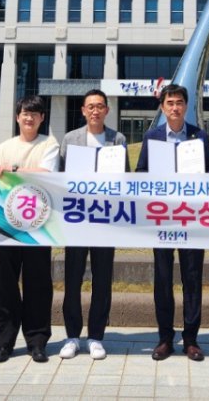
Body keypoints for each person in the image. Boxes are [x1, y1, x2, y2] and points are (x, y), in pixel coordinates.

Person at [134, 84, 209, 362]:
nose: (174, 107)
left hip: (191, 218)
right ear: (162, 107)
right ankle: (165, 338)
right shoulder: (152, 137)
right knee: (163, 279)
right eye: (169, 103)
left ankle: (191, 339)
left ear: (186, 106)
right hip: (162, 219)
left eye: (179, 102)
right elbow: (141, 171)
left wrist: (198, 178)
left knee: (192, 278)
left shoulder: (199, 136)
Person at [0, 95, 60, 364]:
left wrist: (13, 169)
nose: (29, 118)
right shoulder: (4, 147)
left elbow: (45, 173)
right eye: (25, 113)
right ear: (17, 117)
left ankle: (37, 342)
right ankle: (4, 343)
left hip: (39, 225)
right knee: (6, 286)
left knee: (38, 284)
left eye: (35, 114)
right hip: (6, 225)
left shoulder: (49, 144)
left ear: (42, 118)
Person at [57, 89, 128, 361]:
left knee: (102, 279)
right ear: (83, 111)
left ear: (107, 110)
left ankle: (96, 336)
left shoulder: (117, 139)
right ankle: (72, 336)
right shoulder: (70, 139)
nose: (95, 111)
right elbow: (60, 178)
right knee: (72, 279)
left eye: (100, 106)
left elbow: (125, 178)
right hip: (77, 220)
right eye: (90, 107)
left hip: (105, 220)